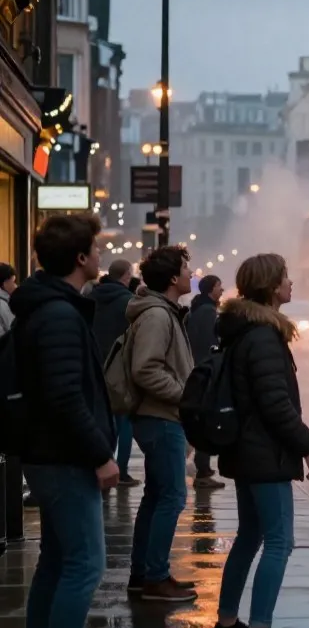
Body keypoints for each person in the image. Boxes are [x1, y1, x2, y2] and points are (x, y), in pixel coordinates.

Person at [9, 214, 120, 628]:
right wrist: (101, 455)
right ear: (80, 258)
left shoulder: (54, 307)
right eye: (94, 249)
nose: (100, 256)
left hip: (52, 454)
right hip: (64, 457)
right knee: (84, 564)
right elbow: (63, 396)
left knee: (56, 563)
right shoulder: (58, 314)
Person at [211, 253, 309, 628]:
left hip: (246, 451)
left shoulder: (245, 330)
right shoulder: (263, 336)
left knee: (250, 536)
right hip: (264, 454)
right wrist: (307, 447)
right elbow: (275, 403)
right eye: (285, 278)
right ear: (272, 287)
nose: (291, 284)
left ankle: (227, 625)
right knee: (279, 542)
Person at [126, 245, 196, 602]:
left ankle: (144, 574)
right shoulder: (157, 315)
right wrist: (184, 396)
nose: (190, 274)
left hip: (160, 417)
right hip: (162, 418)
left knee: (156, 497)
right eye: (186, 268)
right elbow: (146, 369)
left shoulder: (164, 311)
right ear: (172, 278)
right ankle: (155, 576)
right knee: (171, 497)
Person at [91, 259, 139, 486]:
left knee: (102, 418)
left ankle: (103, 462)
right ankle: (122, 469)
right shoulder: (129, 302)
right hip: (119, 367)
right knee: (125, 421)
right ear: (127, 276)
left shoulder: (91, 297)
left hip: (95, 364)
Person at [186, 274, 226, 489]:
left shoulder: (200, 309)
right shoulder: (208, 312)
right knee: (206, 420)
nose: (222, 289)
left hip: (200, 368)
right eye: (219, 286)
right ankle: (202, 469)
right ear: (211, 289)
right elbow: (211, 342)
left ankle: (203, 467)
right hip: (206, 371)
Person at [0, 262, 15, 336]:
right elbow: (12, 328)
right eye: (13, 281)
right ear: (5, 283)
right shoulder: (2, 305)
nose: (15, 285)